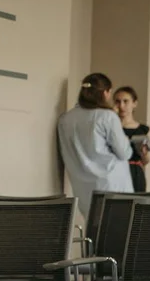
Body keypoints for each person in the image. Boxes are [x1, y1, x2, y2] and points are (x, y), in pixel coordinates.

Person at [57, 72, 134, 219]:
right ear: (106, 93)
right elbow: (124, 152)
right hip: (112, 185)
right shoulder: (107, 116)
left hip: (83, 188)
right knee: (117, 235)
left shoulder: (65, 119)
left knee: (93, 233)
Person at [113, 86, 150, 193]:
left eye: (126, 101)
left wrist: (143, 153)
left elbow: (146, 160)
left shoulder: (142, 129)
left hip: (135, 172)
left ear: (134, 103)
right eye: (117, 101)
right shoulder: (111, 127)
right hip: (115, 172)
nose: (121, 106)